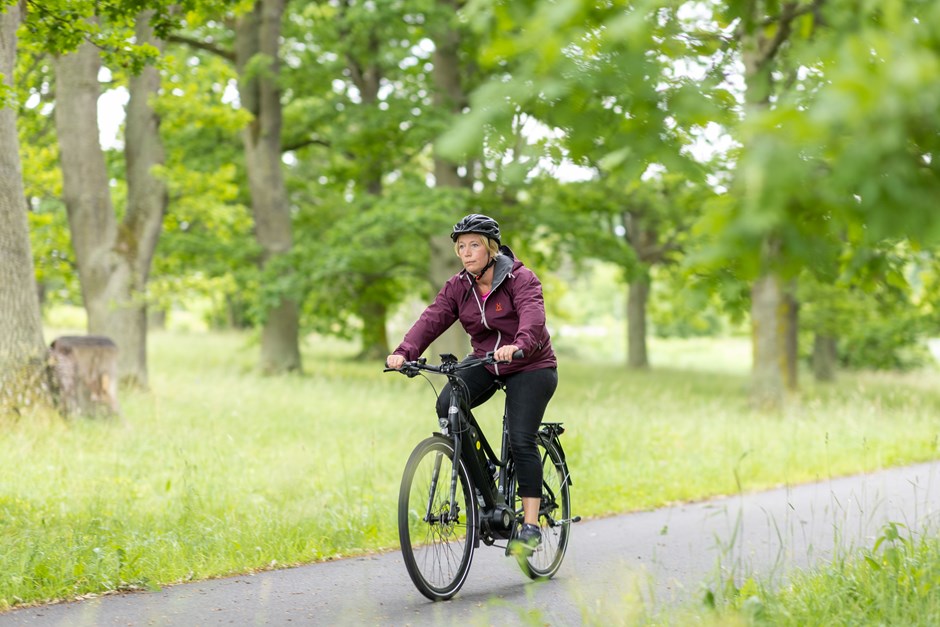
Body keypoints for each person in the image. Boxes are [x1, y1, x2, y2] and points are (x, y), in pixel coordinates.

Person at [386, 213, 558, 552]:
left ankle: (531, 525)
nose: (466, 253)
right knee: (446, 404)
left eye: (474, 245)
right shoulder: (458, 286)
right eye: (461, 246)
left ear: (491, 248)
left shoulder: (521, 279)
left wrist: (520, 344)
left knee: (522, 438)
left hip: (530, 364)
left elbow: (533, 317)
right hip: (487, 362)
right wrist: (405, 351)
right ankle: (480, 487)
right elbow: (432, 318)